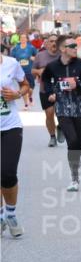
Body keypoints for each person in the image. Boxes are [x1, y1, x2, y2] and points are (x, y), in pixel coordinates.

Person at [42, 36, 81, 191]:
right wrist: (51, 93)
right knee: (72, 142)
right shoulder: (52, 66)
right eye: (71, 45)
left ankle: (76, 156)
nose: (75, 47)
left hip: (79, 107)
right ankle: (75, 179)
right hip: (63, 107)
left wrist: (77, 84)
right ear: (62, 49)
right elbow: (46, 81)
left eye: (75, 45)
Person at [1, 47, 31, 238]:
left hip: (10, 126)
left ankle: (10, 213)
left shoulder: (11, 63)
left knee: (7, 173)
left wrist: (17, 94)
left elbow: (26, 84)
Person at [32, 34, 62, 146]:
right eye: (51, 41)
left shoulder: (63, 55)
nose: (54, 43)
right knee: (49, 114)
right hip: (45, 89)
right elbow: (33, 70)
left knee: (63, 114)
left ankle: (61, 127)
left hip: (62, 89)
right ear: (47, 43)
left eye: (56, 41)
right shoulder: (40, 55)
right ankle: (52, 137)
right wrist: (39, 72)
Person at [10, 34, 38, 109]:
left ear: (27, 39)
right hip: (20, 72)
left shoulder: (31, 47)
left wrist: (33, 58)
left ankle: (30, 96)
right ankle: (26, 104)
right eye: (21, 38)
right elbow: (12, 59)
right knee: (23, 88)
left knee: (31, 88)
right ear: (19, 39)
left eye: (24, 38)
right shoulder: (16, 48)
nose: (22, 39)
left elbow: (37, 57)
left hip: (29, 70)